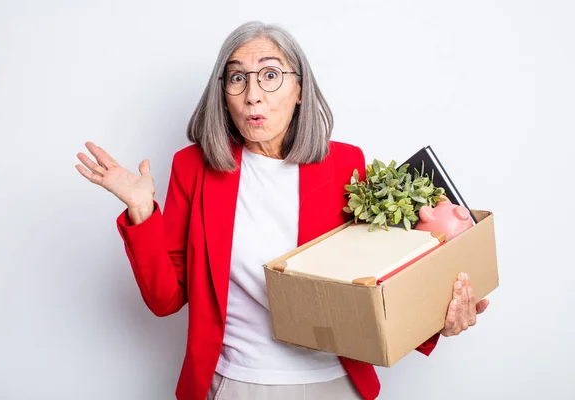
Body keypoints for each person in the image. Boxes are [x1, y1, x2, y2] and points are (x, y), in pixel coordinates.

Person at [76, 21, 490, 400]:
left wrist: (441, 316)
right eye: (237, 78)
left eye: (270, 75)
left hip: (336, 381)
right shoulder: (193, 168)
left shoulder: (346, 164)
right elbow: (166, 298)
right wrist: (142, 210)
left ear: (300, 90)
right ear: (223, 95)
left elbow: (380, 280)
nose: (253, 93)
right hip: (234, 383)